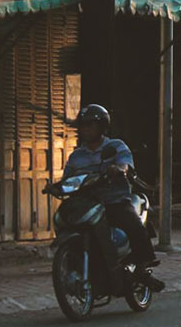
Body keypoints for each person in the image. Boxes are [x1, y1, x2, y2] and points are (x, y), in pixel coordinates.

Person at [63, 105, 164, 292]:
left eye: (90, 125)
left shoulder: (115, 146)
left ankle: (142, 269)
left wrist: (119, 169)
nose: (86, 129)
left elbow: (126, 164)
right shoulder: (76, 156)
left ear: (102, 127)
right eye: (83, 125)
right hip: (87, 204)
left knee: (132, 223)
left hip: (114, 201)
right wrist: (56, 185)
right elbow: (67, 177)